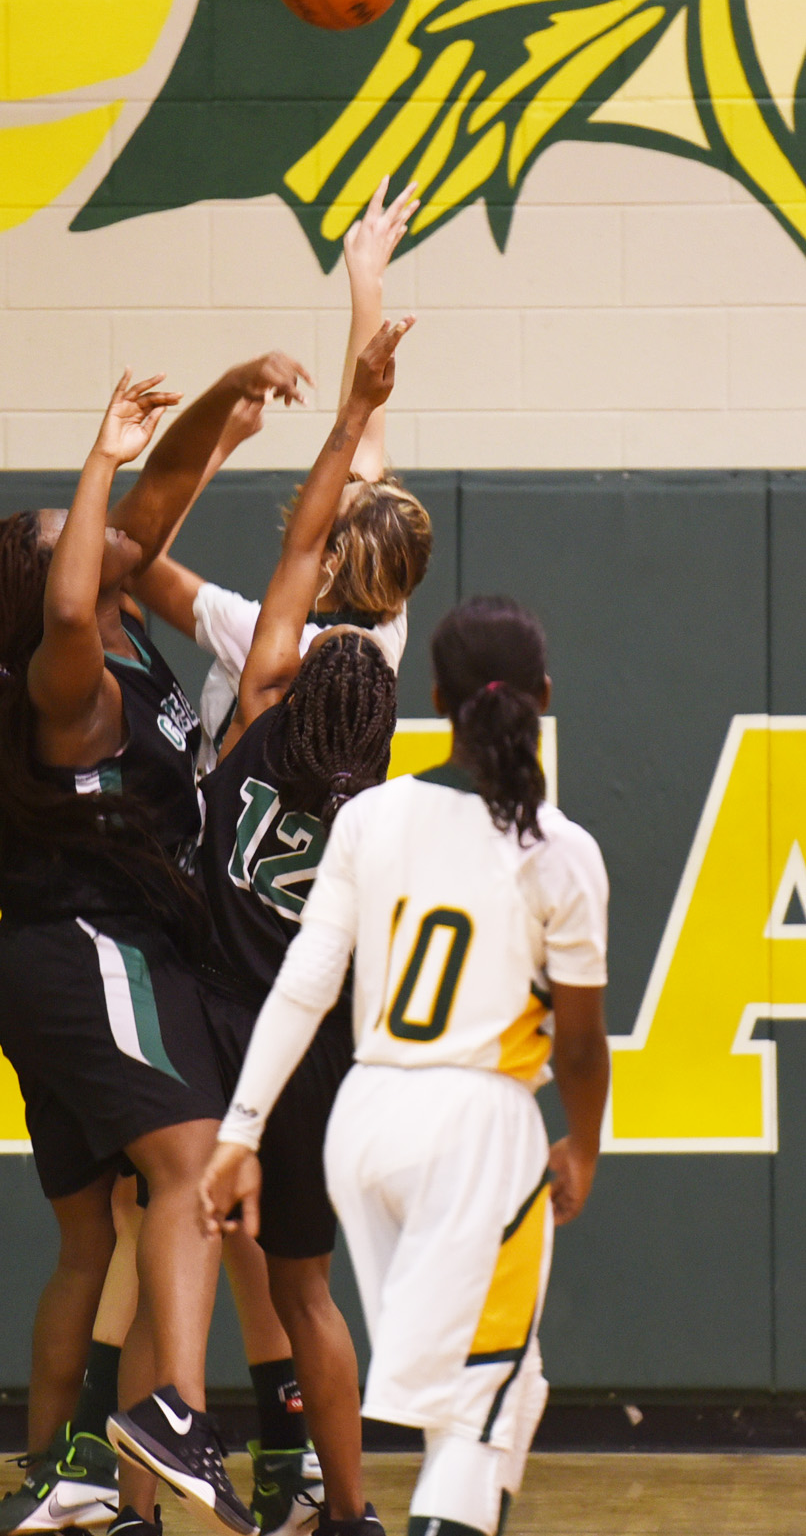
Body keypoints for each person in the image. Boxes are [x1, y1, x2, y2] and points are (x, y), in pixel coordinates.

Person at [0, 368, 272, 1536]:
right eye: (75, 533)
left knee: (100, 1233)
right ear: (54, 580)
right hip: (93, 950)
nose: (108, 533)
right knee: (192, 1178)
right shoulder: (65, 676)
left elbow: (154, 505)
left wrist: (224, 399)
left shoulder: (118, 614)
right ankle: (173, 1413)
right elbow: (78, 596)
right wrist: (94, 456)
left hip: (55, 958)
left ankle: (74, 1482)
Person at [200, 597, 611, 1536]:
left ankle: (363, 1506)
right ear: (543, 697)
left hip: (369, 1122)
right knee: (475, 1418)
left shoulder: (375, 817)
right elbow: (581, 1048)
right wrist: (583, 1147)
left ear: (434, 698)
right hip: (479, 1132)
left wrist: (240, 1129)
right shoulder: (564, 853)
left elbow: (305, 981)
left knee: (502, 1383)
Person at [181, 318, 416, 1536]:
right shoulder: (372, 779)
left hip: (222, 1013)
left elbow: (307, 542)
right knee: (310, 1293)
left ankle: (148, 1449)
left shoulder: (263, 686)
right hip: (323, 1040)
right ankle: (351, 1509)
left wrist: (347, 408)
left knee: (178, 1231)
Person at [141, 179, 431, 773]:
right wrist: (367, 280)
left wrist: (216, 449)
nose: (345, 477)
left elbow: (139, 563)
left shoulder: (256, 637)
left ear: (326, 562)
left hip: (217, 860)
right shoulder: (384, 633)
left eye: (342, 493)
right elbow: (367, 429)